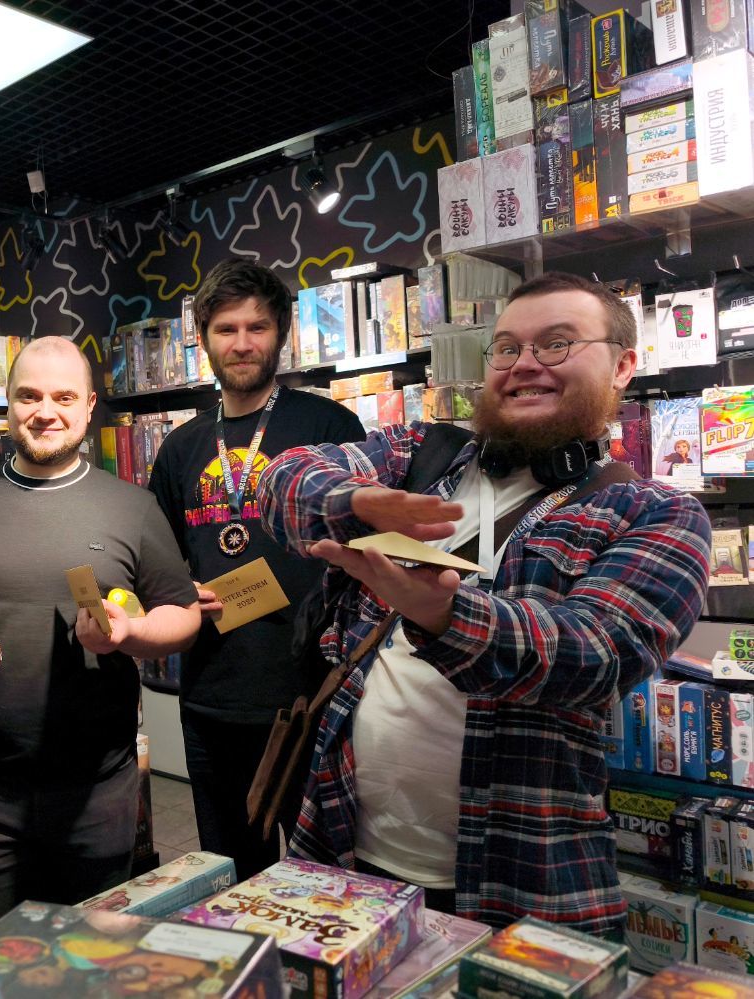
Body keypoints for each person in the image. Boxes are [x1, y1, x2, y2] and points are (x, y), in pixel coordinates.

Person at [256, 271, 711, 936]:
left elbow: (597, 654)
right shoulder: (421, 454)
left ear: (621, 366)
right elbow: (281, 477)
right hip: (339, 841)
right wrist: (354, 502)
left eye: (556, 344)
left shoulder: (657, 512)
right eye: (506, 348)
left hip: (522, 880)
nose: (524, 363)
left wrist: (443, 614)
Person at [0, 335, 200, 916]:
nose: (45, 412)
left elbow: (182, 616)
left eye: (63, 397)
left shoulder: (132, 507)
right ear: (9, 403)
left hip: (98, 788)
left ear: (89, 406)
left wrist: (130, 634)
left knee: (90, 950)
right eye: (29, 396)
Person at [147, 258, 363, 880]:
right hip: (213, 695)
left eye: (257, 327)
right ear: (204, 339)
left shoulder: (329, 427)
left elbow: (366, 547)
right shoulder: (181, 447)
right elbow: (158, 559)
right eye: (226, 329)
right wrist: (178, 590)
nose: (242, 343)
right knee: (229, 875)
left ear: (282, 334)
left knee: (325, 880)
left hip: (314, 694)